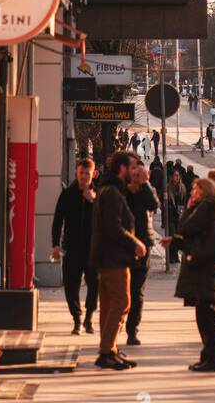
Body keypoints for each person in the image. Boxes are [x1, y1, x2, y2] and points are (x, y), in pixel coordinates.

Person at [164, 177, 215, 374]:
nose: (192, 192)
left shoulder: (207, 208)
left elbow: (186, 227)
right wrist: (176, 239)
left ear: (205, 191)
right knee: (204, 315)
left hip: (205, 267)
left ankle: (213, 359)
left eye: (196, 190)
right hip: (204, 266)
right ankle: (207, 357)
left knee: (207, 317)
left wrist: (190, 207)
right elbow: (190, 235)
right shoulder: (208, 208)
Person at [89, 151, 146, 370]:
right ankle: (106, 352)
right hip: (114, 257)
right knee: (122, 302)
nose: (135, 170)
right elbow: (113, 227)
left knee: (109, 304)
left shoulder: (108, 189)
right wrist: (135, 243)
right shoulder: (112, 192)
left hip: (106, 255)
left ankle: (109, 349)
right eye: (133, 167)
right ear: (122, 168)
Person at [51, 157, 98, 336]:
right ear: (77, 173)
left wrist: (93, 200)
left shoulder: (98, 194)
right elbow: (57, 221)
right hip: (71, 247)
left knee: (94, 285)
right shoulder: (68, 194)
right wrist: (55, 244)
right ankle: (77, 319)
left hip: (93, 248)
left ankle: (89, 318)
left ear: (93, 174)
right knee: (71, 286)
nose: (84, 176)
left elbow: (106, 218)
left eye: (87, 173)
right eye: (81, 173)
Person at [125, 160, 160, 345]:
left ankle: (132, 330)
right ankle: (121, 320)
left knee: (137, 290)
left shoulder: (147, 190)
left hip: (143, 245)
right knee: (123, 290)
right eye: (134, 173)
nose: (137, 177)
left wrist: (145, 183)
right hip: (124, 245)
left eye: (140, 173)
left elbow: (154, 205)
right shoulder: (122, 190)